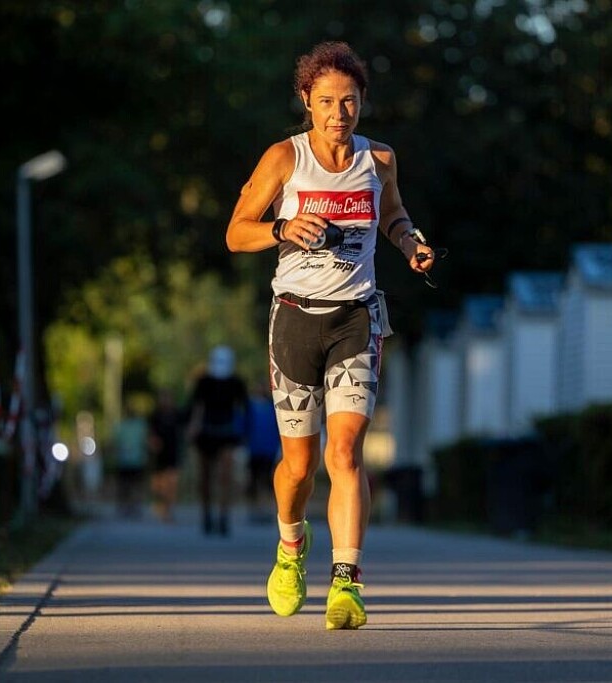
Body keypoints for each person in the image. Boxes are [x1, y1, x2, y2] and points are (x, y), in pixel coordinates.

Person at [225, 41, 436, 630]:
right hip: (294, 318)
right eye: (325, 102)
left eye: (348, 101)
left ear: (362, 101)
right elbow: (236, 234)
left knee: (344, 452)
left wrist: (410, 244)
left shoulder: (380, 160)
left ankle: (347, 583)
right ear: (306, 101)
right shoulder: (284, 158)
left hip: (356, 318)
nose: (338, 113)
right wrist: (283, 228)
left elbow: (392, 215)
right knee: (298, 466)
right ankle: (291, 545)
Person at [186, 345, 249, 537]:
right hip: (206, 432)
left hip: (227, 433)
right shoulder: (203, 381)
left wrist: (244, 432)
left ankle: (223, 516)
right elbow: (196, 406)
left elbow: (244, 408)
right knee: (205, 477)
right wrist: (193, 428)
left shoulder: (236, 382)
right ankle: (207, 515)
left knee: (225, 477)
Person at [244, 382, 280, 524]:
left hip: (270, 449)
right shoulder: (250, 407)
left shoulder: (273, 406)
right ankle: (254, 509)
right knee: (254, 480)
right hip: (254, 449)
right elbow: (244, 425)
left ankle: (267, 509)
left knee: (268, 481)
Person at [147, 388, 183, 523]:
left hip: (173, 451)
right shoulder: (155, 415)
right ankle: (160, 503)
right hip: (159, 453)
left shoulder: (177, 414)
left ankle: (168, 508)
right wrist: (152, 442)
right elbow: (150, 432)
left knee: (172, 481)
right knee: (158, 483)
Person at [113, 404, 148, 518]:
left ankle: (134, 506)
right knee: (126, 485)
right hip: (125, 461)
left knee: (133, 485)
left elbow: (144, 441)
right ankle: (126, 506)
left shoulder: (138, 425)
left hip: (135, 461)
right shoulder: (123, 426)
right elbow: (116, 442)